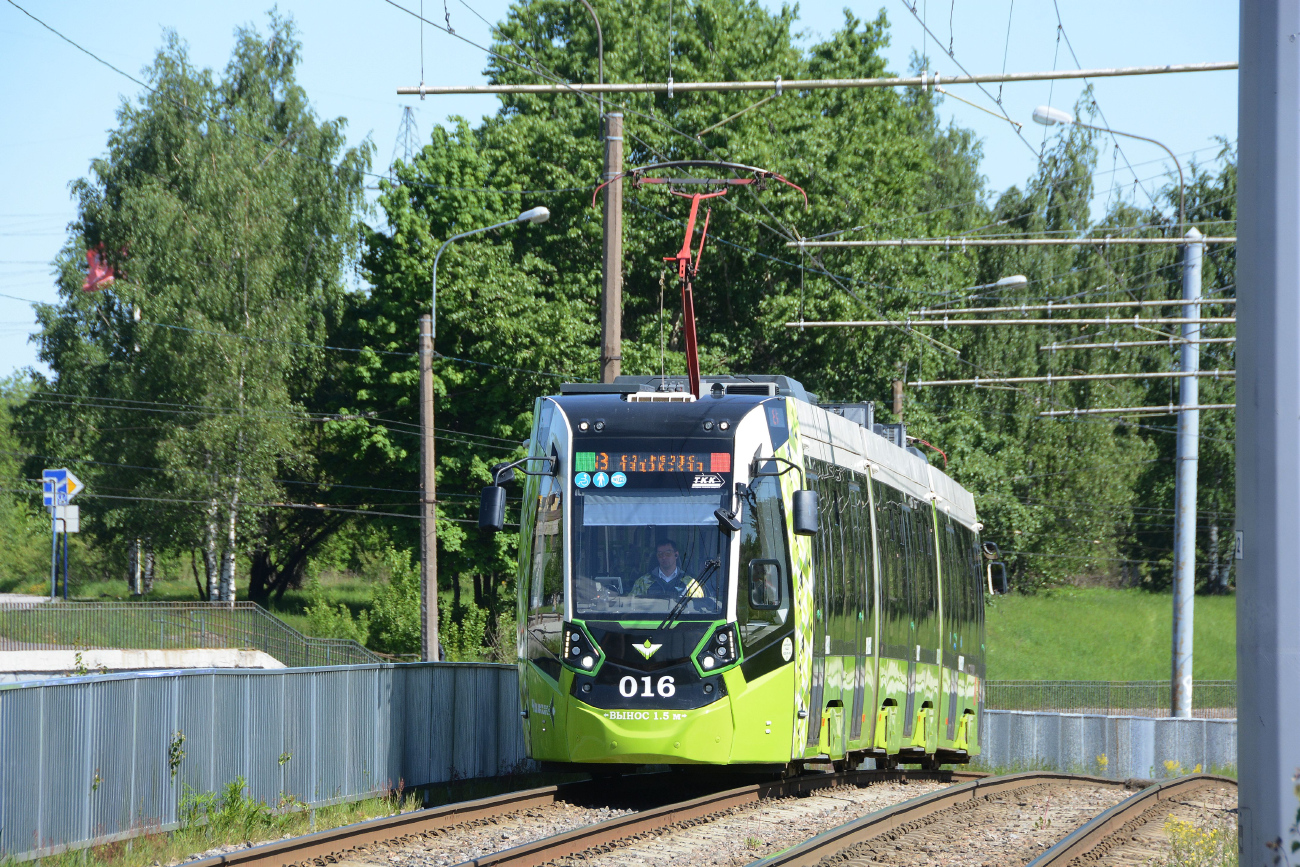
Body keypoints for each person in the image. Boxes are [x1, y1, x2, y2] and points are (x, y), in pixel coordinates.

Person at [631, 539, 704, 600]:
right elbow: (632, 607)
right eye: (660, 554)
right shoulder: (643, 582)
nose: (664, 557)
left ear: (676, 555)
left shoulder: (690, 584)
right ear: (657, 556)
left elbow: (699, 610)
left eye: (668, 553)